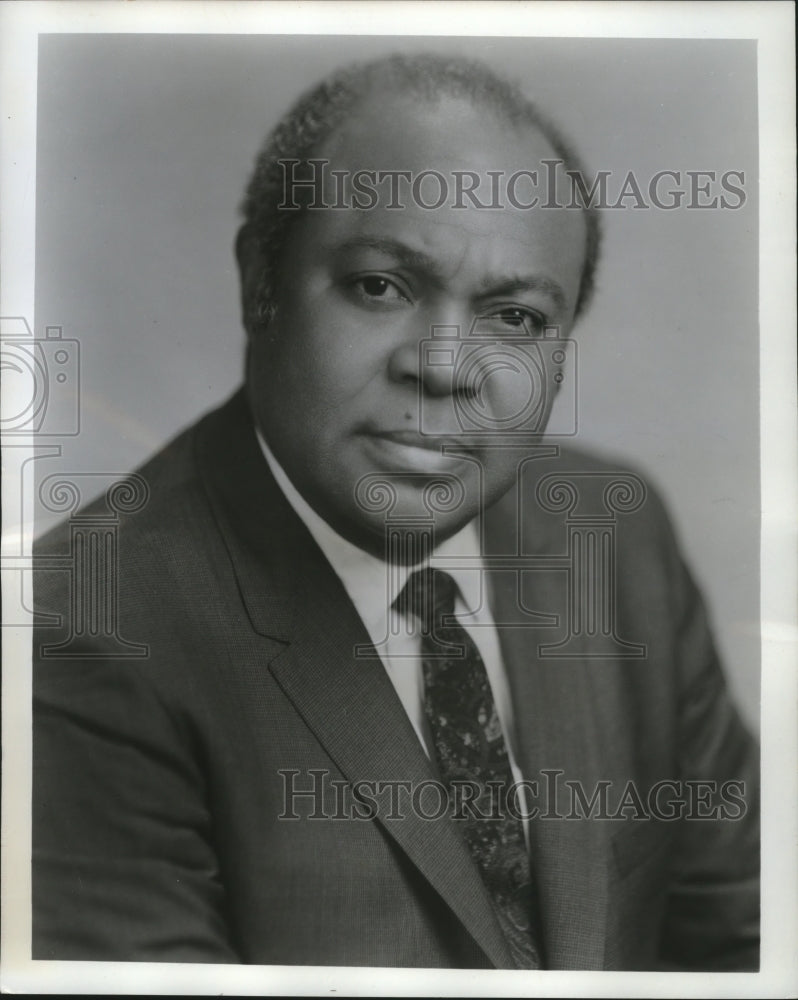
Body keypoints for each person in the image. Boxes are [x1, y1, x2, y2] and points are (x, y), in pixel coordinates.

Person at [32, 53, 759, 971]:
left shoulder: (613, 535)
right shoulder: (81, 633)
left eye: (517, 320)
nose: (447, 367)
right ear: (261, 281)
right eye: (381, 286)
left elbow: (749, 948)